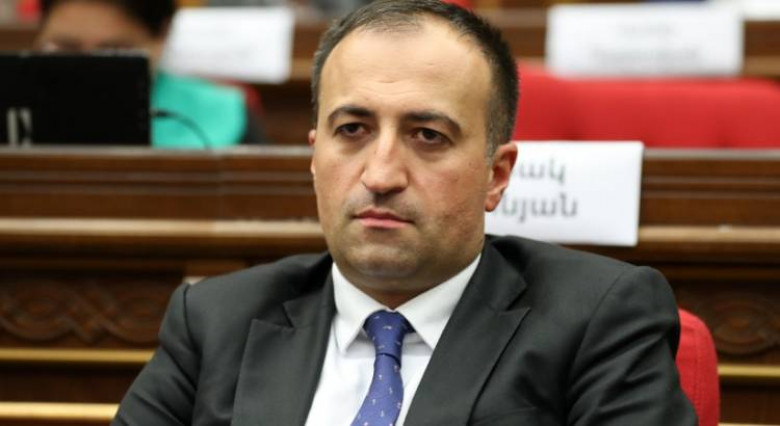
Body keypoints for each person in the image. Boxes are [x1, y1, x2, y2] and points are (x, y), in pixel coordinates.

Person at [114, 1, 697, 424]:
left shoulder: (598, 321)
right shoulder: (215, 321)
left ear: (496, 175)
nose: (381, 174)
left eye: (427, 135)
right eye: (353, 130)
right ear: (315, 157)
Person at [36, 0, 268, 147]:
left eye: (114, 51)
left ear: (162, 35)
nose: (88, 69)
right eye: (66, 48)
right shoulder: (18, 106)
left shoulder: (221, 114)